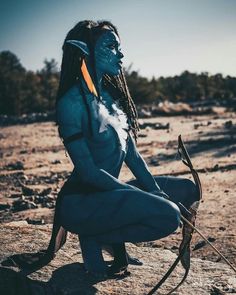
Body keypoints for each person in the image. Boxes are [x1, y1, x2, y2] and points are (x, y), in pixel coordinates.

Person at [54, 20, 199, 277]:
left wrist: (155, 191)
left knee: (187, 190)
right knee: (169, 215)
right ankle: (94, 236)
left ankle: (107, 237)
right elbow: (88, 173)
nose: (120, 54)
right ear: (84, 49)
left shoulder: (111, 98)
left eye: (119, 47)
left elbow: (132, 155)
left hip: (109, 194)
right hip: (82, 202)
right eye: (111, 46)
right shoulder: (71, 103)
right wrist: (151, 198)